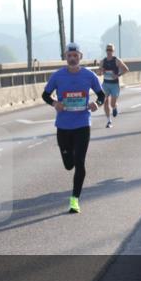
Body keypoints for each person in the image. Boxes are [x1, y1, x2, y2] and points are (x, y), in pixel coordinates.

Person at [43, 41, 105, 213]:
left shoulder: (89, 75)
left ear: (80, 57)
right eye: (69, 56)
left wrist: (97, 104)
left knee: (79, 162)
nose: (72, 58)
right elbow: (45, 95)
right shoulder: (58, 76)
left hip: (82, 124)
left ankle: (74, 200)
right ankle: (67, 158)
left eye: (75, 55)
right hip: (63, 126)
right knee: (68, 164)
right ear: (65, 57)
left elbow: (101, 95)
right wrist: (55, 103)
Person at [100, 43, 130, 128]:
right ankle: (109, 121)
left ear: (113, 51)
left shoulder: (117, 60)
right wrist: (101, 71)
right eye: (108, 50)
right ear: (106, 51)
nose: (109, 51)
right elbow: (99, 73)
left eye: (111, 50)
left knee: (112, 103)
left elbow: (126, 69)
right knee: (105, 102)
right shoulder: (103, 61)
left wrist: (117, 75)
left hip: (114, 85)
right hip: (105, 84)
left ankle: (114, 107)